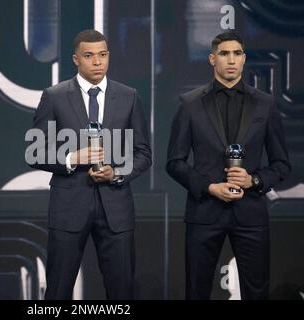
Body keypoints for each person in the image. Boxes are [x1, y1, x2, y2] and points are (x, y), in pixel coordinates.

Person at [166, 32, 291, 299]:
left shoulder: (265, 104)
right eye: (224, 54)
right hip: (204, 213)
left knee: (256, 292)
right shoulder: (190, 104)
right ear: (212, 59)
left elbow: (281, 165)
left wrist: (253, 181)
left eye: (237, 54)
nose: (231, 60)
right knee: (196, 292)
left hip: (251, 213)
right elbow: (174, 162)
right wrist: (210, 187)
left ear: (244, 59)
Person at [29, 29, 152, 299]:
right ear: (76, 59)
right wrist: (73, 158)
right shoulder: (55, 96)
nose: (98, 62)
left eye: (103, 55)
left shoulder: (129, 96)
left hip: (116, 209)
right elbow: (35, 152)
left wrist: (117, 171)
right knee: (58, 291)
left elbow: (143, 153)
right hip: (68, 208)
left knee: (122, 293)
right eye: (89, 56)